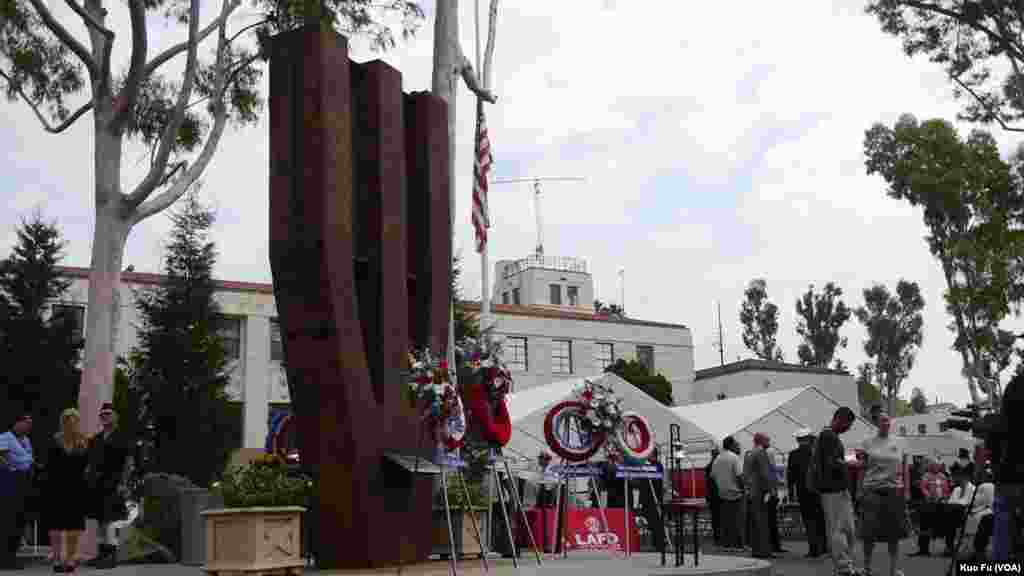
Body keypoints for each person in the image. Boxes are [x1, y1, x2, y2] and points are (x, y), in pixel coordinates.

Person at [84, 403, 134, 570]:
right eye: (103, 414)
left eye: (108, 414)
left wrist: (123, 483)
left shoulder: (123, 437)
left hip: (115, 483)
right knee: (100, 520)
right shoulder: (95, 439)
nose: (105, 417)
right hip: (97, 485)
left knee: (110, 521)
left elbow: (128, 463)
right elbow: (90, 464)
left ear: (115, 417)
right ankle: (102, 555)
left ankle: (111, 556)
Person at [858, 412, 907, 576]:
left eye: (887, 420)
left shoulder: (899, 442)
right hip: (872, 491)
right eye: (882, 420)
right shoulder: (866, 442)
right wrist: (859, 490)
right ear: (876, 423)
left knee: (894, 534)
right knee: (869, 533)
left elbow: (904, 468)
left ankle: (893, 570)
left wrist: (905, 490)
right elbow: (862, 468)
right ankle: (866, 568)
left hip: (893, 491)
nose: (885, 423)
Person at [45, 409, 90, 573]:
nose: (71, 423)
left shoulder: (83, 441)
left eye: (74, 420)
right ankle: (57, 559)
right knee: (55, 525)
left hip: (77, 488)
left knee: (74, 526)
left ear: (77, 422)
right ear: (63, 422)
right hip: (56, 487)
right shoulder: (55, 440)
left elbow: (88, 466)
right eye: (67, 420)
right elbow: (48, 465)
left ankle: (70, 559)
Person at [816, 406, 858, 576]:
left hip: (837, 490)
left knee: (846, 530)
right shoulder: (829, 436)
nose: (849, 428)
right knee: (839, 530)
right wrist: (850, 464)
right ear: (839, 419)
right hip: (833, 490)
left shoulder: (829, 436)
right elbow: (831, 462)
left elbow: (832, 461)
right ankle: (843, 568)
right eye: (848, 424)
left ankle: (845, 566)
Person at [989, 370, 1023, 561]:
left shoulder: (1012, 388)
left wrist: (995, 466)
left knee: (1002, 522)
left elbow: (994, 443)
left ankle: (1000, 563)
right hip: (1010, 476)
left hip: (1007, 477)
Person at [0, 413, 34, 570]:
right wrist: (12, 469)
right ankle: (4, 557)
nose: (29, 427)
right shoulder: (5, 437)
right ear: (17, 423)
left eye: (30, 424)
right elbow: (3, 458)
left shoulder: (26, 440)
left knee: (20, 519)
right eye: (26, 423)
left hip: (24, 482)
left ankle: (12, 555)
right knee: (8, 520)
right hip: (9, 482)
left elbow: (29, 459)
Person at [788, 428, 826, 558]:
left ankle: (813, 549)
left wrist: (790, 491)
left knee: (808, 520)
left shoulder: (793, 454)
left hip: (802, 492)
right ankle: (824, 548)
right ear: (809, 439)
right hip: (818, 491)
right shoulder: (816, 452)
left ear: (798, 440)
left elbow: (790, 476)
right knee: (820, 518)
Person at [744, 433, 778, 559]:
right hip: (760, 491)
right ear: (760, 441)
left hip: (752, 491)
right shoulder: (761, 453)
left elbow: (745, 475)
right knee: (762, 522)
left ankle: (756, 550)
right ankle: (764, 551)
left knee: (755, 522)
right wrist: (771, 490)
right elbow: (765, 473)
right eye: (767, 439)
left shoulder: (749, 453)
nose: (769, 441)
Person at [911, 459, 952, 557]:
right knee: (925, 525)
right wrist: (928, 495)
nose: (936, 467)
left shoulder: (943, 476)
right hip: (929, 503)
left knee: (946, 524)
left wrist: (946, 496)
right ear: (930, 466)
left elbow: (946, 489)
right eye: (934, 465)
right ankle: (923, 549)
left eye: (938, 465)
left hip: (941, 503)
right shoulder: (926, 476)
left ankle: (948, 548)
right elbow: (923, 487)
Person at [710, 436, 745, 551]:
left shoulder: (718, 458)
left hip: (723, 494)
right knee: (738, 520)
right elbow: (739, 476)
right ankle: (738, 544)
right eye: (735, 444)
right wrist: (743, 489)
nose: (737, 446)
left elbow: (713, 476)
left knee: (726, 521)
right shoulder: (735, 458)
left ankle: (727, 544)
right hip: (736, 493)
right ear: (731, 445)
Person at [638, 448, 666, 553]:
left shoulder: (657, 465)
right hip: (647, 498)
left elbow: (656, 481)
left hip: (654, 498)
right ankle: (656, 542)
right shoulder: (649, 465)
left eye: (648, 454)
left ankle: (659, 542)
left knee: (656, 521)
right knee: (651, 521)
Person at [705, 448, 721, 545]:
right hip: (716, 495)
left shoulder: (709, 466)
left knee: (715, 517)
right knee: (718, 517)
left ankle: (717, 536)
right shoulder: (715, 466)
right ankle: (718, 537)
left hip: (711, 495)